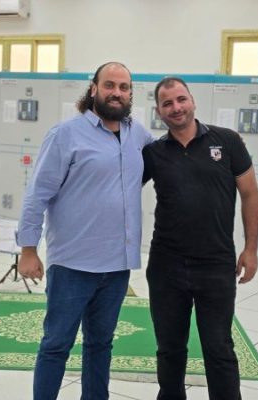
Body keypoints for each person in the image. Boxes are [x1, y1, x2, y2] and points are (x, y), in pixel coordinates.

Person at [16, 61, 153, 400]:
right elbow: (37, 194)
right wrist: (28, 249)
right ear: (93, 89)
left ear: (131, 93)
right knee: (56, 344)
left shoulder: (138, 134)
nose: (116, 93)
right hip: (73, 264)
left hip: (117, 265)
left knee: (100, 344)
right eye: (109, 85)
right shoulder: (66, 134)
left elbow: (165, 160)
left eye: (124, 87)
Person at [142, 77, 258, 400]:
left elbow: (250, 194)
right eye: (167, 103)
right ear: (159, 112)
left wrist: (250, 249)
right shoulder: (154, 153)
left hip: (215, 264)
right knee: (169, 348)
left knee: (218, 347)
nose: (176, 107)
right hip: (166, 266)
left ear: (192, 100)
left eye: (181, 99)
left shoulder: (228, 141)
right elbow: (118, 190)